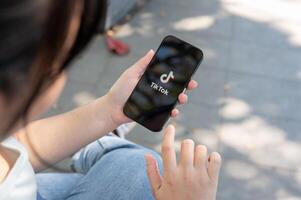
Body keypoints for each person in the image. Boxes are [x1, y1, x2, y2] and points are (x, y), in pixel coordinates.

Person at [0, 0, 222, 200]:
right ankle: (104, 144)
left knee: (134, 167)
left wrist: (109, 111)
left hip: (25, 182)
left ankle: (106, 142)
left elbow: (14, 147)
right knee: (142, 169)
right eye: (59, 64)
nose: (62, 77)